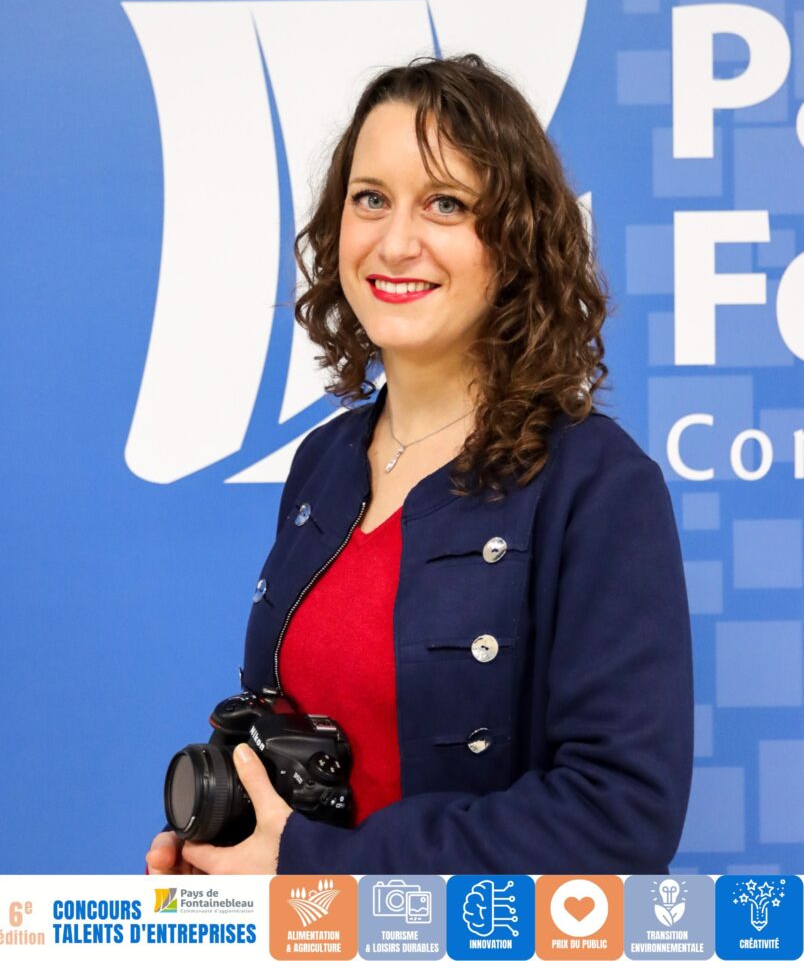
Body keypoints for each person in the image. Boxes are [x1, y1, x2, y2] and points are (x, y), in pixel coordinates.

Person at [147, 53, 693, 877]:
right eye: (370, 199)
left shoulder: (597, 484)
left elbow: (619, 815)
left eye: (446, 204)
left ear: (517, 240)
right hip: (307, 931)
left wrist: (313, 867)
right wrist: (227, 845)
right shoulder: (324, 463)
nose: (395, 242)